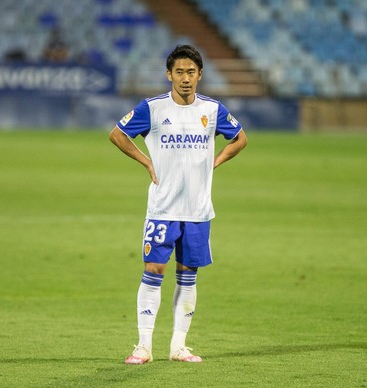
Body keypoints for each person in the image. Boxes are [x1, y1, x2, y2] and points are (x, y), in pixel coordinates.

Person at [109, 44, 247, 364]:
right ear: (169, 74)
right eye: (179, 72)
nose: (185, 79)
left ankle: (178, 347)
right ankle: (143, 346)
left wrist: (217, 160)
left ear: (200, 75)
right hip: (162, 207)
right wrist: (145, 161)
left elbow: (240, 139)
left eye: (191, 72)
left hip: (198, 210)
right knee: (154, 271)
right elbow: (117, 134)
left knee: (188, 276)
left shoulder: (212, 110)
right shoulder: (152, 108)